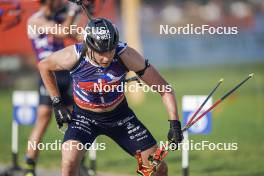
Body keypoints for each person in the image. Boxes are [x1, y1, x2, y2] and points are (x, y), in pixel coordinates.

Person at [38, 18, 183, 176]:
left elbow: (165, 88)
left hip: (120, 117)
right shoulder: (73, 56)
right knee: (69, 163)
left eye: (110, 49)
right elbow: (44, 66)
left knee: (158, 168)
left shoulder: (126, 55)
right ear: (89, 46)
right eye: (101, 52)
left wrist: (174, 122)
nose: (106, 57)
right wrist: (57, 102)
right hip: (83, 118)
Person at [25, 0, 80, 175]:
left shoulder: (58, 17)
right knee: (43, 119)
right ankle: (29, 166)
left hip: (66, 73)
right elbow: (63, 32)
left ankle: (78, 165)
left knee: (77, 121)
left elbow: (77, 36)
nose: (61, 2)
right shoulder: (35, 20)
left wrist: (81, 14)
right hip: (48, 74)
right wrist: (72, 12)